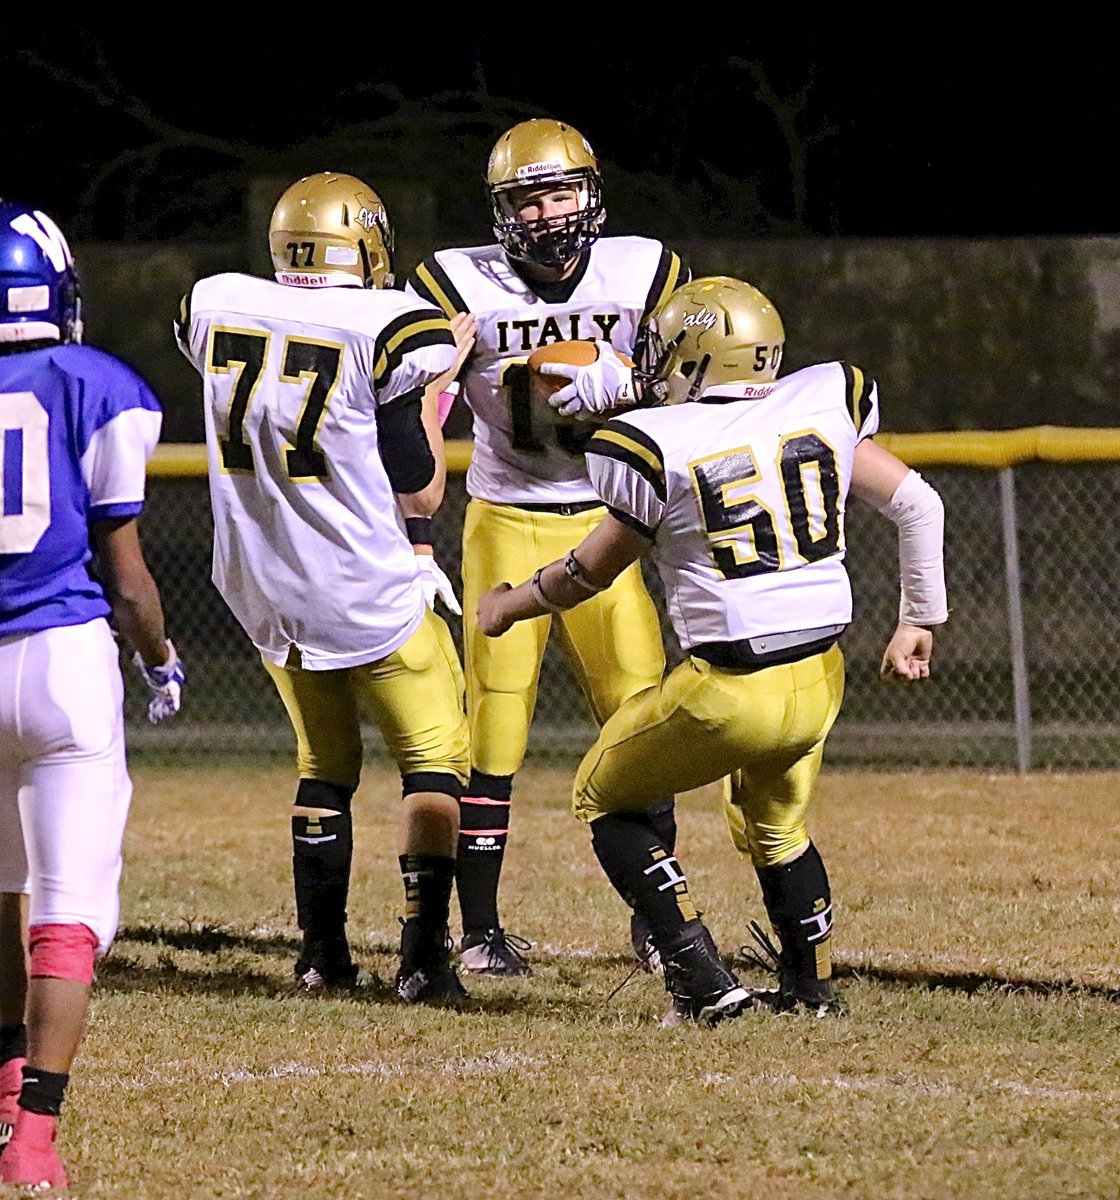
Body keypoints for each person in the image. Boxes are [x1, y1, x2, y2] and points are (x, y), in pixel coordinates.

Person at [477, 276, 948, 1024]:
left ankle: (700, 983)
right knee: (778, 829)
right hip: (821, 675)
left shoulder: (652, 444)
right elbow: (920, 502)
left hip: (729, 684)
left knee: (601, 792)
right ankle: (811, 989)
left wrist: (509, 603)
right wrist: (918, 617)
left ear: (693, 357)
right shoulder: (823, 401)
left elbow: (588, 572)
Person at [175, 172, 474, 1004]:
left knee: (323, 765)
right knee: (436, 767)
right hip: (364, 588)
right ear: (366, 245)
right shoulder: (389, 325)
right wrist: (440, 381)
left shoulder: (217, 303)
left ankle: (321, 955)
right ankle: (422, 960)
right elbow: (418, 490)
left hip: (264, 586)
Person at [405, 118, 687, 976]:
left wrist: (634, 382)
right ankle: (480, 930)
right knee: (492, 725)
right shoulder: (457, 284)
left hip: (613, 519)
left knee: (639, 715)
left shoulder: (645, 270)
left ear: (590, 195)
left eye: (559, 192)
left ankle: (657, 916)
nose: (545, 214)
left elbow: (696, 378)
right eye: (527, 198)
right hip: (507, 513)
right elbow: (420, 413)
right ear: (501, 211)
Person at [0, 200, 184, 1189]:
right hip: (64, 659)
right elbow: (129, 577)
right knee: (66, 910)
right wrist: (160, 659)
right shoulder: (98, 383)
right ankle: (34, 1141)